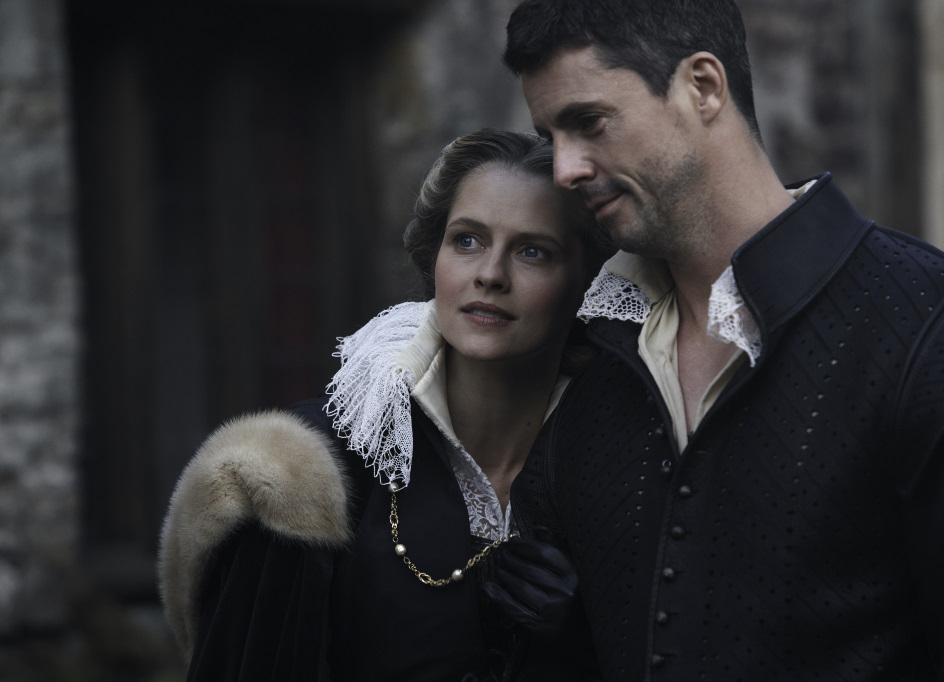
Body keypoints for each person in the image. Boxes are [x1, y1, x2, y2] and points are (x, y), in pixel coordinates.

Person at [502, 1, 944, 680]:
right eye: (550, 136)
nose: (565, 169)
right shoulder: (584, 353)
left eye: (589, 122)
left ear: (703, 87)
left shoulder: (942, 331)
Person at [157, 129, 612, 681]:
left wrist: (588, 637)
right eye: (467, 240)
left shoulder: (621, 470)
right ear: (435, 256)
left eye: (533, 251)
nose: (490, 274)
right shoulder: (299, 476)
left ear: (588, 281)